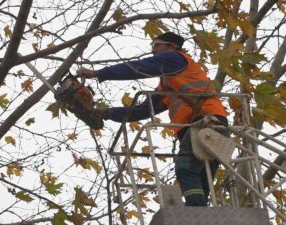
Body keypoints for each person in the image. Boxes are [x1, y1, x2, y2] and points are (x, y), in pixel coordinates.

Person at [76, 32, 228, 206]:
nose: (153, 51)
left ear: (172, 46)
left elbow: (139, 67)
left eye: (157, 45)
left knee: (185, 170)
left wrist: (98, 73)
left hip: (207, 124)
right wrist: (108, 113)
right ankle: (199, 214)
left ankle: (197, 216)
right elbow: (143, 110)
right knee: (199, 182)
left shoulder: (175, 58)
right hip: (204, 128)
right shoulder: (170, 83)